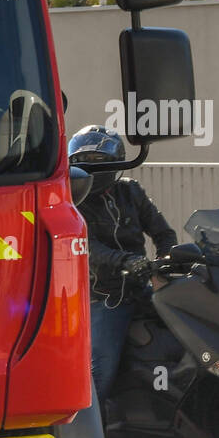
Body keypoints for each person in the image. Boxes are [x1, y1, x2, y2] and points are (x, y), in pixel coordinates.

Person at [69, 125, 178, 404]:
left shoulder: (131, 192)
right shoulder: (75, 203)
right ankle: (93, 435)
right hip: (106, 297)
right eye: (85, 162)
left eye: (99, 161)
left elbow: (164, 234)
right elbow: (90, 250)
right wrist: (129, 261)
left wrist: (165, 264)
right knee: (100, 373)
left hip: (143, 288)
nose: (91, 168)